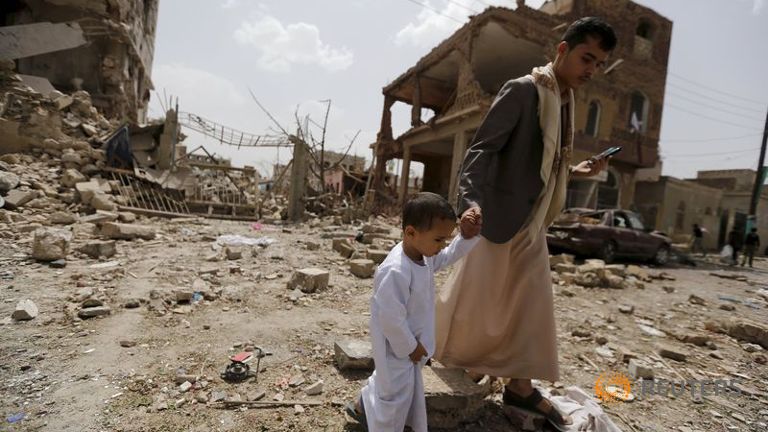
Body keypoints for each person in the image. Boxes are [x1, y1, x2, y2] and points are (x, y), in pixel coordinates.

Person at [434, 17, 616, 429]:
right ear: (563, 51)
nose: (591, 69)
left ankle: (518, 382)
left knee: (528, 303)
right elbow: (481, 151)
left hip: (531, 222)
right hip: (496, 216)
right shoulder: (524, 90)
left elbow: (547, 164)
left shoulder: (564, 101)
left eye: (599, 64)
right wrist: (470, 204)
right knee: (477, 298)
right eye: (587, 58)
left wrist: (581, 170)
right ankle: (470, 363)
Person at [345, 192, 481, 432]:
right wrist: (410, 346)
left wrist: (466, 237)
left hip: (411, 345)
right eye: (439, 240)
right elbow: (390, 318)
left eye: (445, 240)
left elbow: (448, 256)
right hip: (397, 347)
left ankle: (361, 406)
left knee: (392, 383)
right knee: (393, 396)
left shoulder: (423, 255)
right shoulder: (396, 270)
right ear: (410, 232)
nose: (442, 247)